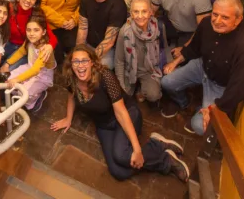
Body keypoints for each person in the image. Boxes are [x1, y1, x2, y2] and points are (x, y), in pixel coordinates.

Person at [51, 45, 189, 182]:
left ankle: (165, 160)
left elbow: (121, 112)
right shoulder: (71, 78)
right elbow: (71, 96)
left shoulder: (105, 77)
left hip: (127, 114)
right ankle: (155, 145)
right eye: (76, 61)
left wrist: (137, 150)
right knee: (119, 172)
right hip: (104, 125)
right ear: (71, 64)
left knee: (121, 156)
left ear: (92, 62)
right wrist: (68, 118)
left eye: (84, 60)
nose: (80, 65)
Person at [161, 0, 244, 135]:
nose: (217, 21)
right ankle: (185, 103)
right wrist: (175, 62)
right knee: (166, 81)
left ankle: (201, 107)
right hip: (202, 66)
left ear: (238, 20)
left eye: (225, 17)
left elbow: (238, 88)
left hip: (220, 85)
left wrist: (214, 108)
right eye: (215, 14)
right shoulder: (206, 23)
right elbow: (193, 48)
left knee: (201, 127)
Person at [114, 0, 164, 104]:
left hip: (148, 70)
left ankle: (142, 88)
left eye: (144, 11)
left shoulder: (158, 27)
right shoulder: (125, 31)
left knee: (154, 95)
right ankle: (134, 86)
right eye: (136, 12)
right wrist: (121, 86)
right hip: (129, 70)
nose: (140, 16)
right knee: (122, 97)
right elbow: (119, 61)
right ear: (131, 14)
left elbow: (164, 49)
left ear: (151, 12)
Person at [0, 14, 55, 112]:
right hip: (29, 67)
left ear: (44, 32)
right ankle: (27, 90)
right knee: (8, 81)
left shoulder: (45, 49)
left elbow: (35, 70)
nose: (31, 33)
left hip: (42, 75)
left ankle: (37, 98)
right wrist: (7, 63)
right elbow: (21, 52)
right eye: (28, 30)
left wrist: (17, 79)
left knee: (24, 94)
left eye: (36, 30)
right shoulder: (29, 41)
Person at [77, 0, 127, 68]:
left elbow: (109, 41)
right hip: (88, 45)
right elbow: (82, 29)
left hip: (108, 50)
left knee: (99, 69)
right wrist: (78, 53)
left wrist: (89, 60)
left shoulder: (118, 3)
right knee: (75, 64)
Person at [2, 0, 56, 65]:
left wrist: (50, 46)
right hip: (6, 44)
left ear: (35, 2)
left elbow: (51, 36)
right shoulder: (9, 8)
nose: (28, 0)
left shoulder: (37, 14)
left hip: (24, 49)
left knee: (6, 72)